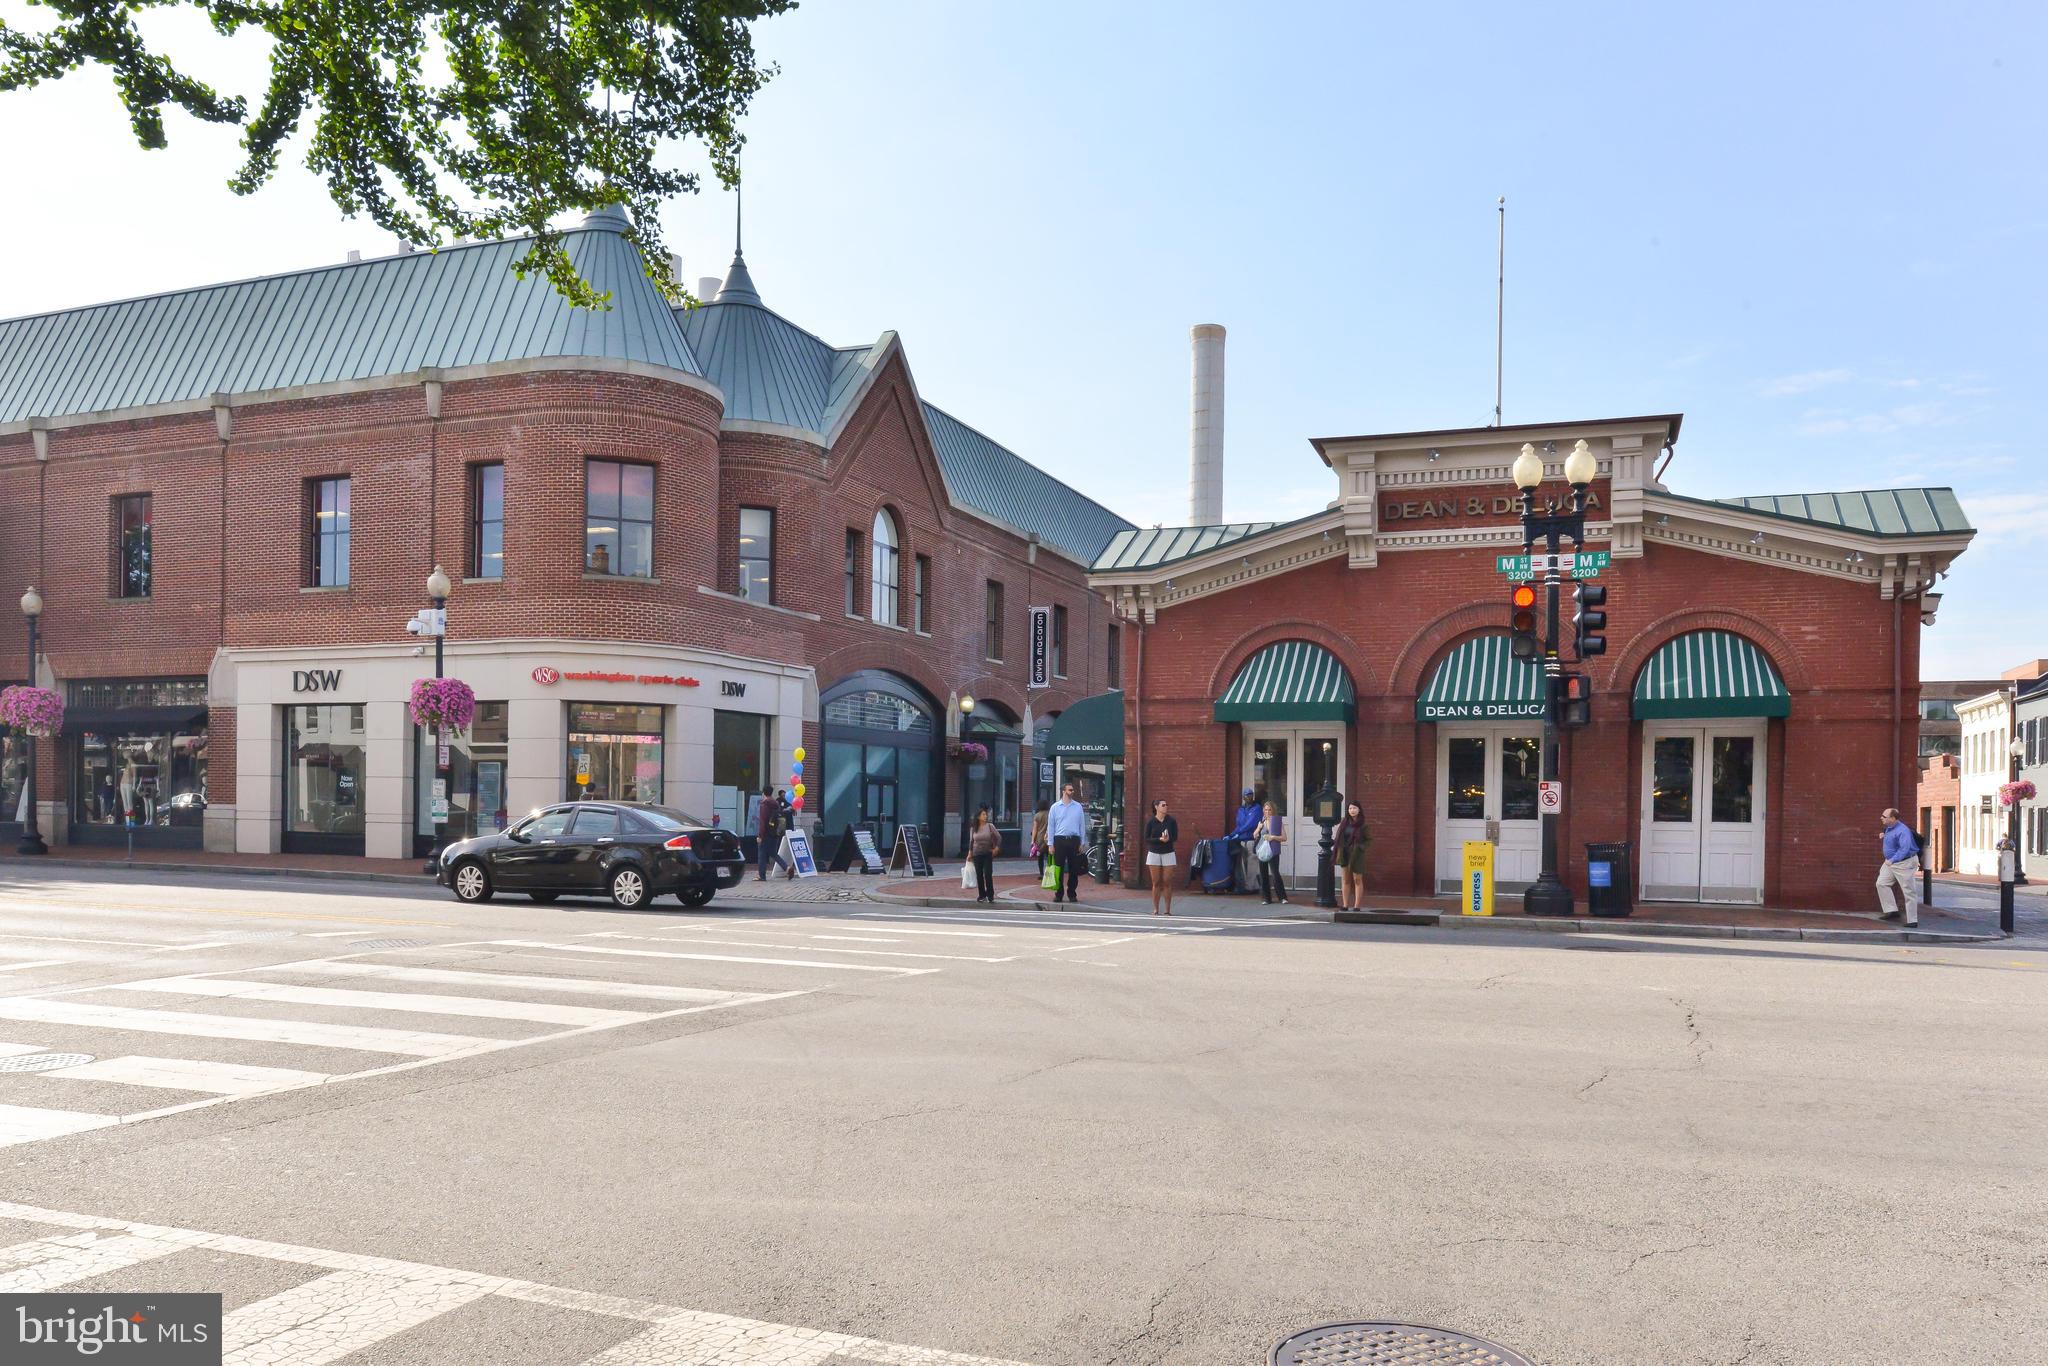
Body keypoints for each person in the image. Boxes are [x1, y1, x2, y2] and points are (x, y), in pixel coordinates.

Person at [1876, 807, 1920, 928]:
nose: (1881, 818)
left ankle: (1912, 920)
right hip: (1891, 863)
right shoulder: (1889, 828)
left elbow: (1904, 849)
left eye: (1884, 817)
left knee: (1909, 890)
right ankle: (1892, 910)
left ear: (1893, 818)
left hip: (1904, 863)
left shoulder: (1903, 831)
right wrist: (1884, 835)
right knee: (1881, 883)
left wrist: (1892, 859)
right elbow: (1893, 839)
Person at [1047, 782, 1089, 904]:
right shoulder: (1055, 807)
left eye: (1072, 790)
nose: (1072, 792)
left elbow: (1082, 825)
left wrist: (1082, 842)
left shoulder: (1078, 807)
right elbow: (1051, 826)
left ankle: (1072, 893)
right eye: (1070, 790)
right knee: (1058, 868)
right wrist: (1050, 844)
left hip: (1074, 840)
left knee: (1074, 869)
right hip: (1059, 839)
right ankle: (1059, 894)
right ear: (1063, 791)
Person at [1142, 798, 1179, 915]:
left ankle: (1167, 909)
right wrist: (1159, 839)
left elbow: (1175, 837)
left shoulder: (1171, 821)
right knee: (1156, 882)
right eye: (1163, 805)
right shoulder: (1151, 822)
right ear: (1156, 807)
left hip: (1168, 852)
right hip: (1154, 852)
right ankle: (1155, 908)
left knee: (1167, 881)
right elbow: (1146, 838)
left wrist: (1168, 839)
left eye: (1166, 804)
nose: (1166, 807)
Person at [1335, 800, 1370, 912]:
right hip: (1345, 853)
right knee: (1345, 880)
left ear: (1359, 810)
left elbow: (1369, 840)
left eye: (1354, 808)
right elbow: (1339, 838)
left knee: (1357, 880)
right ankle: (1345, 905)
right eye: (1350, 808)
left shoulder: (1363, 825)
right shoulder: (1344, 823)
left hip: (1357, 855)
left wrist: (1360, 847)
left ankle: (1356, 906)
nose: (1352, 810)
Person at [1226, 787, 1262, 888]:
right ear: (1243, 797)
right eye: (1247, 795)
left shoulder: (1257, 808)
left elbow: (1249, 824)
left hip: (1251, 840)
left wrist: (1237, 833)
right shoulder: (1241, 810)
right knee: (1242, 865)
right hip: (1241, 841)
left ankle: (1251, 887)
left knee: (1252, 864)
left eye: (1251, 794)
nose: (1249, 797)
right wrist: (1231, 835)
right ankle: (1245, 885)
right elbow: (1239, 825)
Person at [1254, 800, 1288, 904]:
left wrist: (1273, 837)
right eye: (1265, 810)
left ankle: (1282, 897)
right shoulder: (1262, 822)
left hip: (1273, 850)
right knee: (1263, 874)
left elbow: (1284, 837)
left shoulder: (1277, 822)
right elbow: (1254, 835)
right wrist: (1259, 828)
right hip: (1262, 850)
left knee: (1275, 873)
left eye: (1269, 810)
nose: (1267, 812)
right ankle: (1266, 898)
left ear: (1273, 811)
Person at [754, 786, 789, 880]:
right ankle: (787, 867)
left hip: (766, 833)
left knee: (761, 854)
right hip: (775, 832)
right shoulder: (776, 803)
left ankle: (762, 876)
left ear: (763, 793)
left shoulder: (764, 804)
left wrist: (760, 835)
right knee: (773, 853)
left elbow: (762, 821)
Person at [969, 806, 1001, 903]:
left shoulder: (990, 826)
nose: (985, 816)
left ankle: (990, 895)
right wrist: (969, 853)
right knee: (979, 875)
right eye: (983, 814)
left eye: (986, 814)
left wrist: (997, 848)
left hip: (987, 853)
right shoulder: (974, 828)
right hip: (976, 854)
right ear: (978, 817)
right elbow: (971, 841)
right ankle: (982, 895)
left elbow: (999, 837)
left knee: (988, 874)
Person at [1030, 807, 1050, 879]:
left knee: (1040, 857)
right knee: (1049, 857)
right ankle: (1049, 873)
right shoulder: (1050, 814)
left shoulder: (1037, 815)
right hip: (1048, 838)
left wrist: (1032, 840)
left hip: (1040, 839)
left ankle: (1041, 873)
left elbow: (1035, 828)